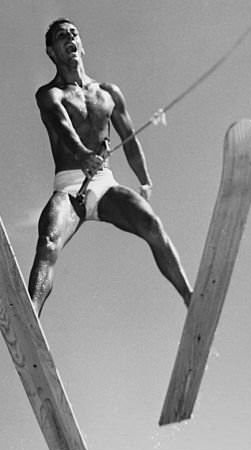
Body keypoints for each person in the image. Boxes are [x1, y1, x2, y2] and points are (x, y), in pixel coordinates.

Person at [28, 19, 192, 316]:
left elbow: (129, 141)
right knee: (49, 243)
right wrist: (82, 154)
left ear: (81, 43)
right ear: (51, 52)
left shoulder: (108, 93)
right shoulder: (50, 93)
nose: (70, 38)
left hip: (104, 185)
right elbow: (61, 125)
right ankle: (30, 316)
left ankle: (191, 298)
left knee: (151, 225)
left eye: (74, 33)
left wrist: (145, 180)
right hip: (69, 187)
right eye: (61, 36)